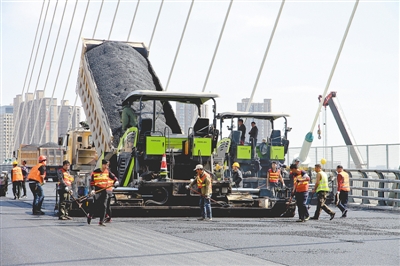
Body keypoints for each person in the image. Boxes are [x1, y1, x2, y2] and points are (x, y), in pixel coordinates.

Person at [87, 159, 117, 226]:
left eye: (108, 165)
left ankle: (101, 221)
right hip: (97, 190)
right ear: (102, 164)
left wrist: (116, 181)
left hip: (104, 190)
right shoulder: (95, 172)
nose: (107, 166)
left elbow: (114, 177)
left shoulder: (107, 172)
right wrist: (92, 190)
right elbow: (92, 182)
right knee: (96, 205)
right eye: (106, 165)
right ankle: (90, 215)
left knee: (104, 205)